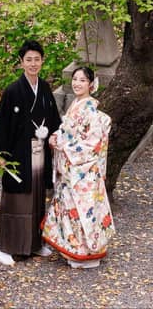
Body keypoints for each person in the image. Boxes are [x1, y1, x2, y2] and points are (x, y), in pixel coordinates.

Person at [0, 40, 61, 266]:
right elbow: (2, 124)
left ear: (42, 61)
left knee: (37, 198)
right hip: (18, 152)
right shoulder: (12, 91)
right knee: (16, 200)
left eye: (36, 59)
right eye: (28, 59)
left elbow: (54, 119)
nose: (33, 64)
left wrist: (54, 134)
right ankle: (5, 247)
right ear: (21, 63)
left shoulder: (45, 88)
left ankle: (34, 244)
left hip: (39, 151)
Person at [42, 66, 115, 268]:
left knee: (84, 209)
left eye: (82, 80)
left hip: (83, 168)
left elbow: (92, 142)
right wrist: (57, 136)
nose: (77, 83)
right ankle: (73, 250)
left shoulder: (91, 109)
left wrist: (64, 145)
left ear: (91, 84)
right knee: (71, 207)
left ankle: (85, 254)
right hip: (72, 167)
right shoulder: (76, 104)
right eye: (75, 79)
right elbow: (68, 129)